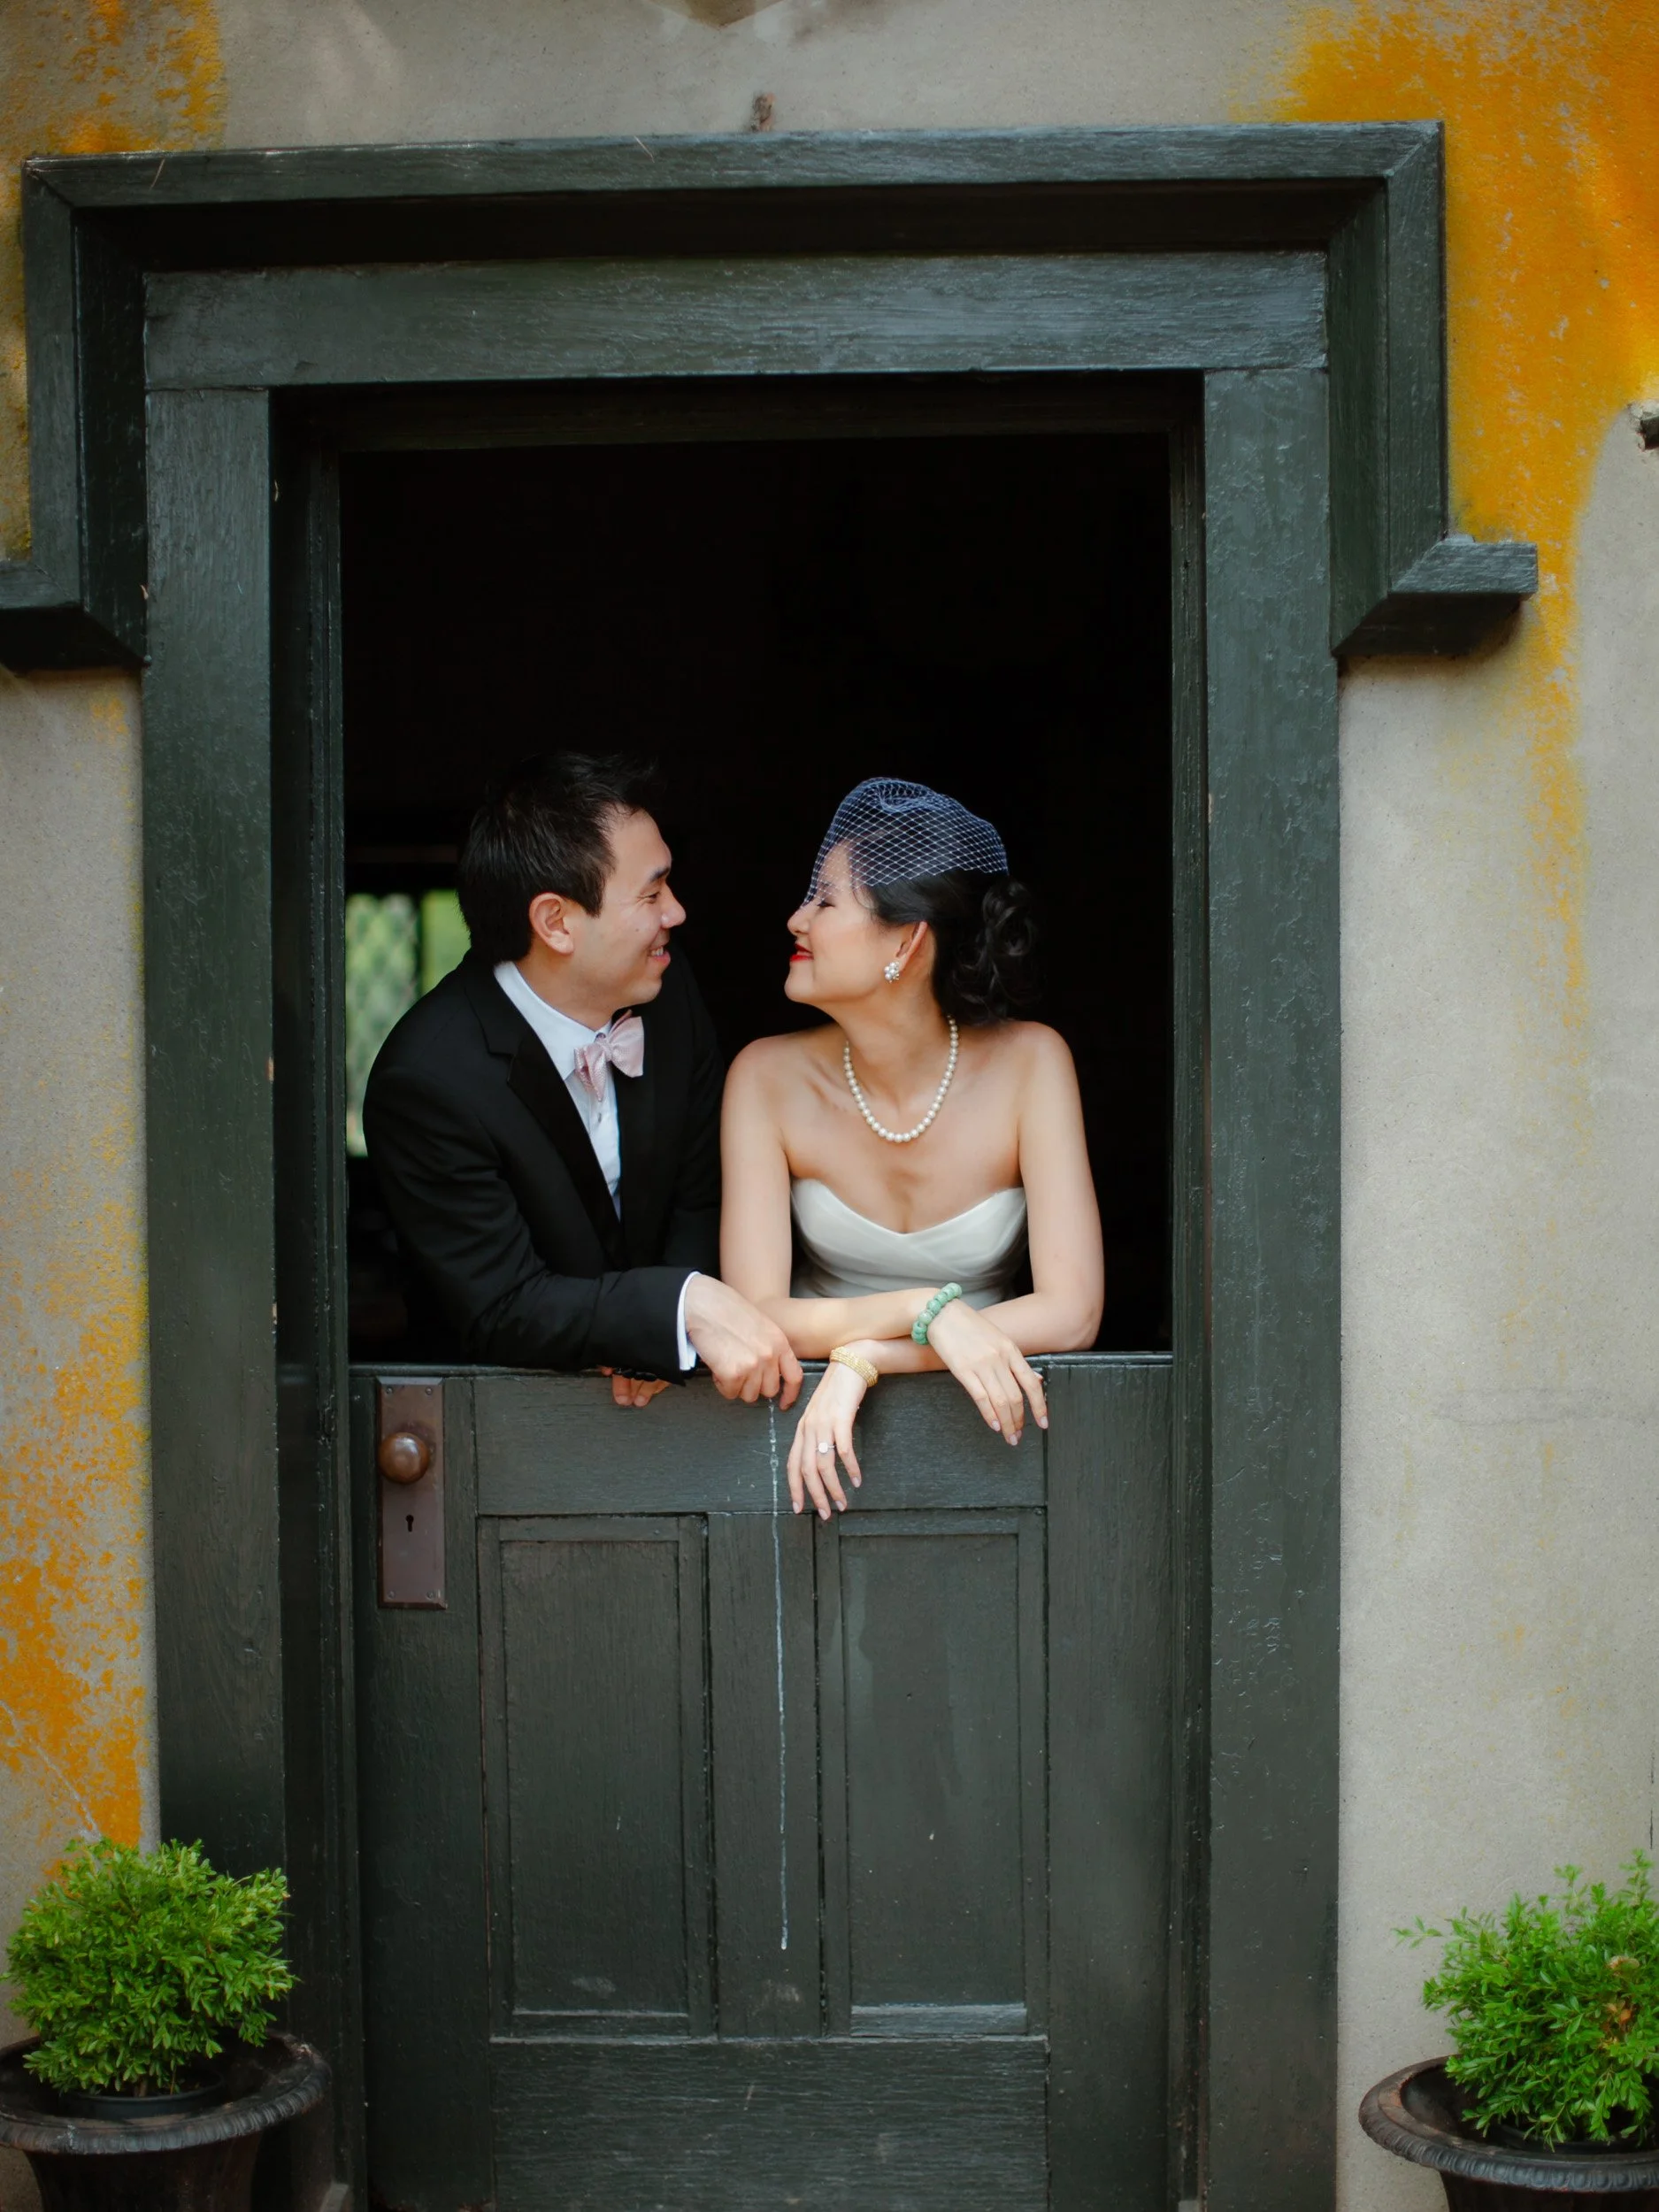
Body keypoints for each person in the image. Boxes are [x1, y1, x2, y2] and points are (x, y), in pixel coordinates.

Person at [365, 753, 802, 1410]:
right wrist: (671, 1312)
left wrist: (662, 1322)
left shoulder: (668, 990)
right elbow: (500, 1305)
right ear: (556, 922)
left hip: (689, 1404)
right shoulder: (427, 1080)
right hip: (503, 1422)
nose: (677, 913)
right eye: (652, 894)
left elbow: (701, 1192)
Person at [721, 777, 1104, 1517]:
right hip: (798, 1451)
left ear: (906, 941)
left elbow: (1073, 1312)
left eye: (825, 901)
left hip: (993, 1448)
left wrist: (870, 1360)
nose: (796, 917)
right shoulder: (762, 1078)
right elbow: (756, 1310)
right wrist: (930, 1308)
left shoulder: (1033, 1063)